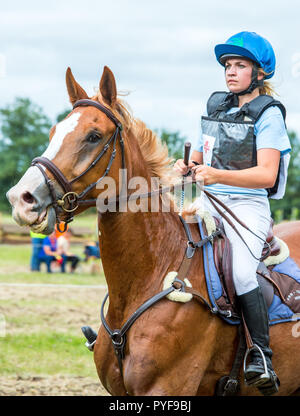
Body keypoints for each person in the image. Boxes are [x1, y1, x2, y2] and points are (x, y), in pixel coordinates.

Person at [174, 31, 291, 395]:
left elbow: (267, 174)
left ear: (259, 73)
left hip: (246, 207)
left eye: (240, 65)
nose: (230, 71)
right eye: (228, 65)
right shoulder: (216, 107)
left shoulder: (268, 115)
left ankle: (261, 354)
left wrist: (217, 175)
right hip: (208, 203)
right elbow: (199, 159)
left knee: (242, 273)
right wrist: (185, 166)